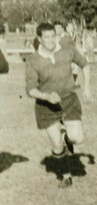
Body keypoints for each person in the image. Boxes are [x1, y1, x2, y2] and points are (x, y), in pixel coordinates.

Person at [24, 22, 92, 187]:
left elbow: (84, 64)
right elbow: (30, 90)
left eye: (52, 36)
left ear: (56, 36)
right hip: (46, 106)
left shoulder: (67, 50)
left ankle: (67, 138)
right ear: (39, 39)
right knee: (56, 145)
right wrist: (47, 97)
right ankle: (66, 176)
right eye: (46, 37)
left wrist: (87, 87)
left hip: (69, 100)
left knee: (77, 138)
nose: (50, 40)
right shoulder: (33, 60)